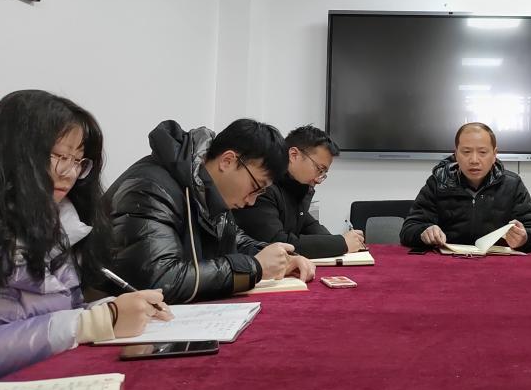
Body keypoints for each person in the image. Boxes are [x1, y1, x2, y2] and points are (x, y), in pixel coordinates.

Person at [0, 90, 172, 381]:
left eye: (79, 161)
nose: (70, 173)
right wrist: (95, 321)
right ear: (12, 152)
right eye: (60, 157)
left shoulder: (54, 215)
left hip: (42, 381)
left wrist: (108, 311)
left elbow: (61, 315)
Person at [106, 119, 315, 303]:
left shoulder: (206, 188)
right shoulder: (150, 189)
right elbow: (161, 280)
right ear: (227, 161)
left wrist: (282, 258)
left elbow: (233, 239)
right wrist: (255, 267)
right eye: (255, 187)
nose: (252, 201)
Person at [400, 122, 531, 251]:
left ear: (494, 154)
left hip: (497, 263)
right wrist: (424, 232)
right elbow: (408, 230)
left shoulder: (512, 184)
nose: (474, 160)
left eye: (482, 152)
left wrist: (525, 238)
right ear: (456, 154)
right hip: (448, 262)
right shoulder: (438, 182)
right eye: (466, 152)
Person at [234, 125, 364, 258]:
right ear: (294, 155)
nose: (318, 180)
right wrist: (341, 243)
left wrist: (341, 241)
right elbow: (276, 243)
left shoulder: (296, 188)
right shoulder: (263, 188)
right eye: (319, 169)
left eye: (323, 173)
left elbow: (310, 225)